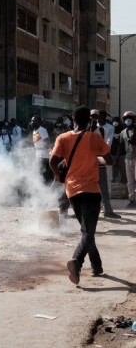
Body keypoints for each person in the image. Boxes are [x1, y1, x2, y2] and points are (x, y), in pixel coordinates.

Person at [49, 106, 113, 285]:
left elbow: (53, 161)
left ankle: (97, 266)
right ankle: (77, 261)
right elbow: (110, 160)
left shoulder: (63, 138)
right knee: (88, 231)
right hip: (91, 190)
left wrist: (58, 176)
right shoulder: (95, 138)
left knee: (87, 230)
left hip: (72, 191)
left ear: (72, 119)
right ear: (90, 120)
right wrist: (96, 158)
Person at [90, 110, 120, 218]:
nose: (94, 118)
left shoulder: (107, 128)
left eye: (96, 116)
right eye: (92, 116)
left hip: (102, 156)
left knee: (105, 182)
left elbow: (108, 143)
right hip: (90, 157)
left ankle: (106, 207)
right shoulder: (89, 127)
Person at [119, 111, 136, 207]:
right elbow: (121, 146)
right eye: (126, 119)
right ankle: (132, 199)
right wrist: (117, 158)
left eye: (129, 119)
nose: (127, 121)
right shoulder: (123, 132)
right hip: (128, 158)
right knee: (130, 181)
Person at [31, 116, 53, 184]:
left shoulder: (42, 130)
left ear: (39, 122)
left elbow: (47, 142)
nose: (32, 122)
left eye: (34, 121)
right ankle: (42, 185)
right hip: (38, 154)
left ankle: (47, 186)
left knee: (45, 173)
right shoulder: (35, 131)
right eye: (31, 120)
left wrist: (47, 146)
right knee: (40, 172)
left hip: (44, 155)